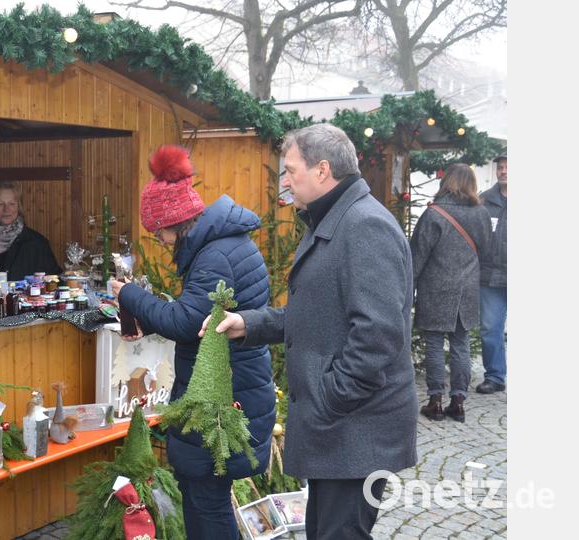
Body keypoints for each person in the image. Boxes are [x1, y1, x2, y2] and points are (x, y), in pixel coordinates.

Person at [201, 124, 417, 539]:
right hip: (337, 428)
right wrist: (249, 322)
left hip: (353, 428)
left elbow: (379, 335)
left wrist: (330, 396)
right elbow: (314, 313)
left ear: (322, 170)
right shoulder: (333, 219)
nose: (283, 182)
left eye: (290, 170)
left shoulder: (364, 225)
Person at [110, 145, 276, 539]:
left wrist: (129, 295)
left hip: (219, 397)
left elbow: (187, 323)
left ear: (176, 223)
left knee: (206, 505)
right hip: (239, 386)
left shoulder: (214, 255)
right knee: (209, 500)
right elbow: (203, 315)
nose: (161, 242)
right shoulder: (227, 244)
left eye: (160, 233)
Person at [411, 164, 492, 422]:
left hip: (435, 289)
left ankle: (435, 402)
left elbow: (416, 257)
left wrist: (407, 287)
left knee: (434, 343)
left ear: (446, 182)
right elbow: (487, 252)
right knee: (461, 343)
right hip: (467, 290)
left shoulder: (434, 214)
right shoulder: (482, 214)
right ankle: (458, 402)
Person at [476, 155, 507, 394]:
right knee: (490, 328)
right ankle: (495, 376)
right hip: (490, 276)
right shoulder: (484, 200)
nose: (503, 171)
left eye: (508, 166)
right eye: (500, 167)